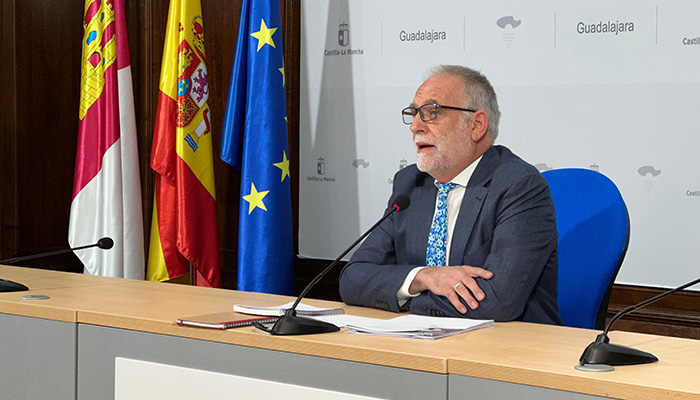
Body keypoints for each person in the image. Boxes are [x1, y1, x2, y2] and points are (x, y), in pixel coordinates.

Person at [339, 65, 562, 324]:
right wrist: (424, 277)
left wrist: (405, 297)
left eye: (431, 112)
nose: (415, 126)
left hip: (508, 342)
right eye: (413, 113)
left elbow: (497, 301)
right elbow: (353, 279)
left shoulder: (518, 186)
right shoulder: (410, 184)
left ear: (477, 125)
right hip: (422, 339)